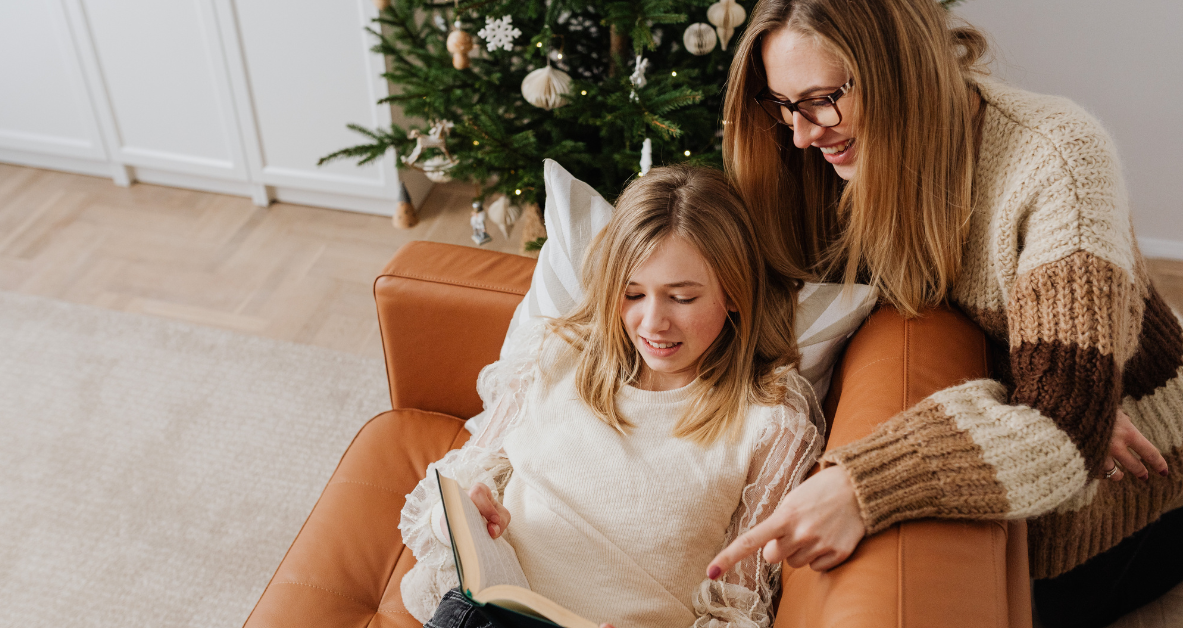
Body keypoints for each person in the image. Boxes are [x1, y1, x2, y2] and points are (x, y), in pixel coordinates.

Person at [705, 1, 1183, 627]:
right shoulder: (843, 155)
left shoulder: (1056, 159)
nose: (802, 133)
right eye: (785, 105)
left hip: (1138, 494)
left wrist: (862, 484)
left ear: (900, 70)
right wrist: (1055, 394)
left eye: (823, 98)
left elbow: (1064, 433)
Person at [398, 165, 824, 628]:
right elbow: (453, 493)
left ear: (735, 293)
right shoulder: (558, 353)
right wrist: (460, 520)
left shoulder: (768, 419)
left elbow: (740, 605)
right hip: (484, 613)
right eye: (633, 293)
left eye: (682, 298)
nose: (652, 322)